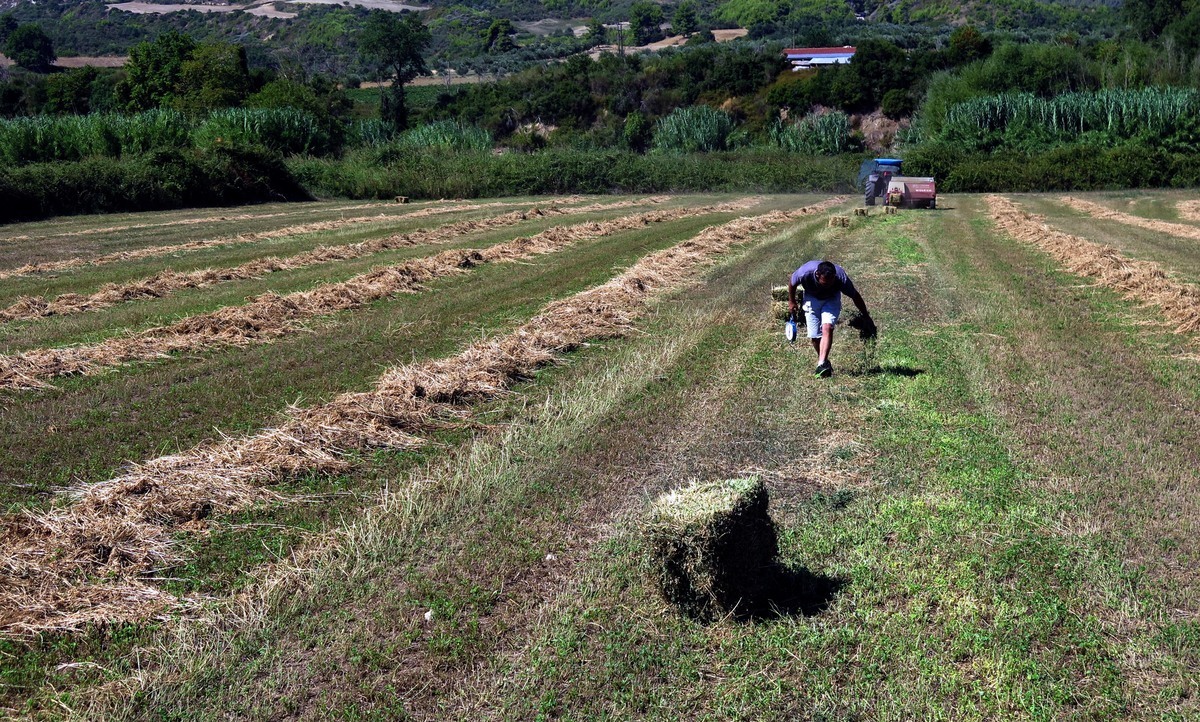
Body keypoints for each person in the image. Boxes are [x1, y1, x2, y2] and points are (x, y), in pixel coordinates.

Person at [787, 260, 873, 377]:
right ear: (817, 274)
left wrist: (865, 315)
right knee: (815, 338)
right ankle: (825, 363)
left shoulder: (840, 277)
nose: (828, 284)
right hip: (812, 298)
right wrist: (791, 301)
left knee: (827, 327)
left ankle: (821, 364)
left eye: (831, 282)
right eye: (825, 283)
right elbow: (792, 282)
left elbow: (855, 295)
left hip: (831, 299)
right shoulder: (805, 272)